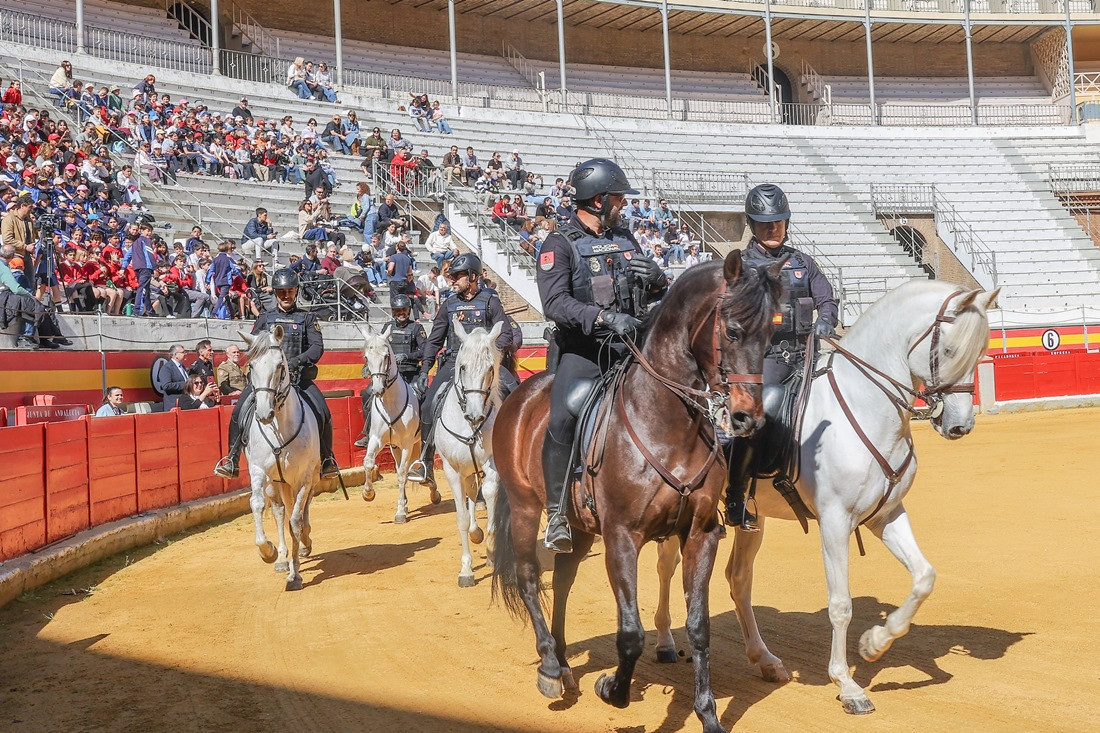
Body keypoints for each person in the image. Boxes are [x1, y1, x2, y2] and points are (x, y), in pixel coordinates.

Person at [535, 158, 668, 553]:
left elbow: (652, 292)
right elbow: (554, 303)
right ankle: (557, 512)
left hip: (633, 348)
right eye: (618, 199)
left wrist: (659, 281)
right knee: (562, 415)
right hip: (586, 352)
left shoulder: (626, 237)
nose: (623, 206)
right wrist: (604, 316)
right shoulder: (558, 244)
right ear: (597, 200)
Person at [725, 183, 839, 532]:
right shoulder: (741, 267)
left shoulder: (804, 262)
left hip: (808, 355)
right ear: (752, 225)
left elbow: (827, 299)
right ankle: (736, 494)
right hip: (766, 360)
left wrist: (827, 321)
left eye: (778, 222)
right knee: (765, 410)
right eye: (764, 223)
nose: (772, 228)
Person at [215, 268, 340, 480]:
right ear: (275, 293)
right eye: (281, 291)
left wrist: (294, 362)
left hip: (299, 380)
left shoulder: (307, 318)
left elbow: (317, 347)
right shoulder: (266, 318)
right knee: (239, 411)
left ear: (296, 292)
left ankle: (327, 459)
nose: (286, 296)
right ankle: (232, 458)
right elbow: (254, 345)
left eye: (289, 291)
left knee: (323, 411)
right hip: (267, 381)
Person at [407, 253, 519, 487]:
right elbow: (435, 340)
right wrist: (424, 370)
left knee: (514, 390)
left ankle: (517, 454)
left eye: (458, 276)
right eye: (452, 276)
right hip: (454, 363)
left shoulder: (490, 301)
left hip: (485, 363)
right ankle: (426, 461)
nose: (453, 280)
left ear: (473, 277)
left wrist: (485, 349)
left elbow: (506, 335)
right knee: (428, 404)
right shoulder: (449, 304)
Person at [353, 293, 427, 448]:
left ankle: (425, 433)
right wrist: (368, 366)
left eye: (404, 310)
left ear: (409, 310)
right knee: (367, 393)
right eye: (397, 311)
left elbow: (424, 351)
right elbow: (378, 350)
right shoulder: (387, 327)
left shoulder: (417, 328)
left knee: (424, 396)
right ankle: (368, 433)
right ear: (394, 312)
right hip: (389, 375)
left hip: (410, 372)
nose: (401, 313)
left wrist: (407, 356)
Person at [0, 243, 70, 350]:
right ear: (12, 255)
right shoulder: (3, 268)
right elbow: (16, 288)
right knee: (34, 305)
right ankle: (28, 337)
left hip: (6, 297)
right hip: (4, 297)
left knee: (41, 307)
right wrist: (30, 296)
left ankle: (46, 338)